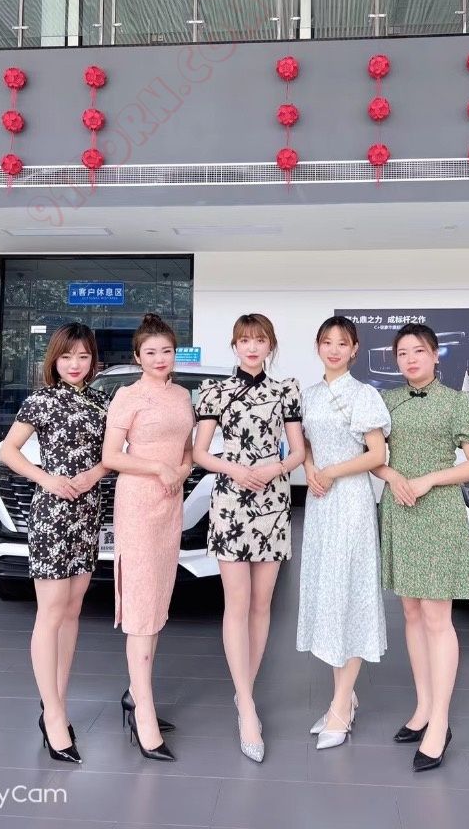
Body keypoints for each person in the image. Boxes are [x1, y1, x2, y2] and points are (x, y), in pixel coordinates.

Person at [375, 322, 469, 772]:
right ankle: (423, 707)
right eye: (402, 353)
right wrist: (392, 475)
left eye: (418, 351)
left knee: (438, 618)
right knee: (410, 613)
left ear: (436, 355)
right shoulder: (387, 401)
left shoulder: (457, 402)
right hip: (400, 510)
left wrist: (428, 480)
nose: (410, 359)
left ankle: (440, 721)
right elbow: (373, 457)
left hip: (438, 512)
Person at [193, 314, 305, 762]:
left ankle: (245, 693)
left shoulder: (286, 390)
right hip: (231, 502)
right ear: (235, 346)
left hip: (273, 500)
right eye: (244, 340)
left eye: (259, 340)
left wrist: (275, 468)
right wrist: (235, 469)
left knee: (262, 605)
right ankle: (247, 708)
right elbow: (200, 452)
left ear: (270, 345)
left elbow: (298, 450)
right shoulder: (215, 391)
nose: (252, 347)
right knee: (236, 605)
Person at [0, 323, 110, 765]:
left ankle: (55, 702)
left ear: (93, 360)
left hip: (88, 513)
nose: (74, 364)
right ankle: (55, 715)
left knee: (73, 610)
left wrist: (95, 473)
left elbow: (112, 456)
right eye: (66, 356)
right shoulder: (40, 400)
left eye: (83, 356)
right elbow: (9, 451)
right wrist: (44, 477)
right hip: (51, 514)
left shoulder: (102, 402)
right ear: (54, 359)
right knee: (50, 612)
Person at [101, 313, 195, 763]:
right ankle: (144, 716)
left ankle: (135, 694)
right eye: (151, 352)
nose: (160, 358)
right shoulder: (127, 396)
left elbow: (188, 449)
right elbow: (111, 456)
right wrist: (158, 468)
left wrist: (180, 469)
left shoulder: (182, 395)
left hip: (170, 503)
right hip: (138, 502)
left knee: (157, 602)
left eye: (167, 351)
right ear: (137, 357)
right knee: (140, 607)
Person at [297, 316, 391, 749]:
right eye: (327, 342)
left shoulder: (364, 394)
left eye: (342, 343)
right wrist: (311, 470)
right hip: (321, 502)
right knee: (330, 597)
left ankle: (339, 707)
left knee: (350, 595)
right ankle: (345, 699)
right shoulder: (309, 394)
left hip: (350, 501)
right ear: (318, 346)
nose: (334, 349)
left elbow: (377, 454)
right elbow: (304, 446)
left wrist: (331, 471)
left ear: (354, 349)